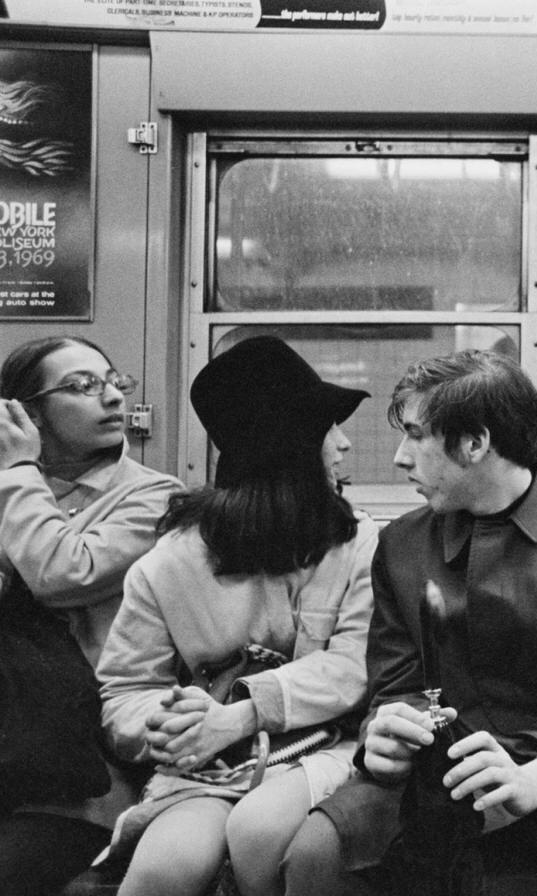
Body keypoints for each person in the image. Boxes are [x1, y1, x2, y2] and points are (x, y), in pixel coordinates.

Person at [281, 349, 537, 896]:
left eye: (416, 435)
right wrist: (385, 738)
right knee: (315, 854)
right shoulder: (402, 543)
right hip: (437, 766)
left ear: (475, 444)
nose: (399, 458)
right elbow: (396, 685)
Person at [96, 335, 377, 896]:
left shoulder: (358, 544)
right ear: (293, 446)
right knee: (163, 871)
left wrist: (242, 712)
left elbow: (355, 667)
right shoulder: (169, 564)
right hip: (206, 767)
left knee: (265, 837)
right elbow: (124, 690)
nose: (344, 446)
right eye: (329, 429)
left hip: (320, 750)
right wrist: (167, 725)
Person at [0, 335, 183, 896]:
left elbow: (62, 573)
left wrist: (17, 473)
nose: (109, 398)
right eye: (82, 386)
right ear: (27, 414)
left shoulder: (155, 497)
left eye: (112, 382)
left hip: (81, 765)